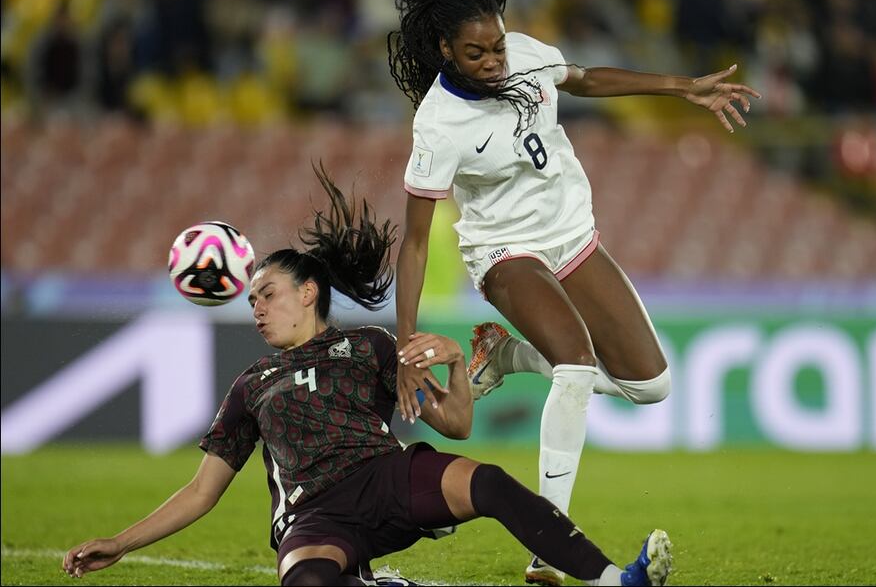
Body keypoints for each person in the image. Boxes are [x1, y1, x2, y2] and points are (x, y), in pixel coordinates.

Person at [61, 163, 673, 587]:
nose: (256, 309)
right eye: (251, 302)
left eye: (266, 294)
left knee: (489, 483)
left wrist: (458, 363)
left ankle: (614, 578)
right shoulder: (252, 385)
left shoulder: (371, 347)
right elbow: (202, 492)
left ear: (308, 292)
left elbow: (457, 425)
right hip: (313, 515)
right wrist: (121, 542)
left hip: (388, 478)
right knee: (309, 580)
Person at [387, 0, 759, 585]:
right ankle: (549, 546)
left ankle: (508, 356)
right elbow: (415, 240)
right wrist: (406, 336)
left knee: (652, 386)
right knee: (577, 364)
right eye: (476, 54)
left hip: (572, 235)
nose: (495, 60)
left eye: (497, 44)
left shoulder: (523, 53)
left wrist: (680, 87)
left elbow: (582, 77)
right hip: (505, 251)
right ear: (444, 49)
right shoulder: (439, 126)